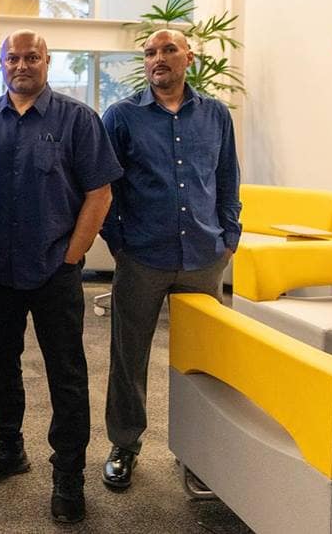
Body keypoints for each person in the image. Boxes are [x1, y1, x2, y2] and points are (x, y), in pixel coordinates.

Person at [0, 30, 122, 523]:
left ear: (48, 61)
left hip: (54, 269)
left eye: (31, 57)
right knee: (0, 364)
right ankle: (8, 447)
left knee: (67, 374)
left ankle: (69, 473)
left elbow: (100, 193)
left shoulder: (78, 119)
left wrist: (73, 257)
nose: (21, 65)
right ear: (2, 63)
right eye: (12, 57)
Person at [100, 29, 241, 490]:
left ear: (189, 58)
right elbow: (106, 188)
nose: (158, 58)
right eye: (150, 52)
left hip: (203, 256)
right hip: (143, 256)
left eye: (168, 50)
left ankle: (202, 451)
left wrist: (229, 235)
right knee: (129, 356)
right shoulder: (122, 116)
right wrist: (119, 243)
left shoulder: (216, 115)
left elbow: (226, 177)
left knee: (203, 360)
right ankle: (125, 444)